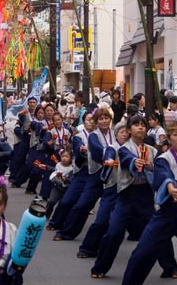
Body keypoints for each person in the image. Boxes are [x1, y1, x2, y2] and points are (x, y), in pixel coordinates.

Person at [111, 122, 177, 285]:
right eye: (175, 135)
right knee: (141, 255)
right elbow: (162, 174)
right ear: (169, 139)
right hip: (166, 213)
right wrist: (170, 187)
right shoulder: (164, 158)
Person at [90, 115, 157, 278]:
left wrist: (151, 165)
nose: (140, 127)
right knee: (114, 232)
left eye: (143, 125)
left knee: (158, 231)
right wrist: (135, 162)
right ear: (128, 130)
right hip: (127, 194)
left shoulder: (152, 150)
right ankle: (100, 267)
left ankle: (170, 266)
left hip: (146, 195)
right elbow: (127, 158)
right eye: (136, 125)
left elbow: (160, 168)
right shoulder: (123, 148)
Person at [53, 106, 116, 241]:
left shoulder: (115, 133)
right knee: (81, 205)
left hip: (114, 175)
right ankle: (66, 232)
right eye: (101, 118)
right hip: (94, 173)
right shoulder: (91, 136)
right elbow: (94, 149)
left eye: (106, 118)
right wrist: (83, 152)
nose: (104, 121)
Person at [77, 120, 128, 259]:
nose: (125, 134)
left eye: (127, 132)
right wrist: (109, 160)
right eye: (122, 132)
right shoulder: (111, 147)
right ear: (116, 134)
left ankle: (169, 266)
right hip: (112, 188)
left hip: (132, 191)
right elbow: (107, 154)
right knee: (102, 220)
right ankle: (88, 248)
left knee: (151, 226)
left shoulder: (135, 148)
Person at [47, 110, 95, 231]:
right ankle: (55, 222)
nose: (91, 122)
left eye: (93, 119)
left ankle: (70, 228)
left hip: (97, 172)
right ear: (84, 121)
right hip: (82, 171)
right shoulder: (79, 137)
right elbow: (79, 154)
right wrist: (86, 152)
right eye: (89, 119)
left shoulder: (99, 135)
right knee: (67, 201)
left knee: (83, 205)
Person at [45, 148, 74, 219]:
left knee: (63, 204)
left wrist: (65, 179)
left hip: (67, 189)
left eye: (66, 157)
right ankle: (46, 215)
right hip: (57, 187)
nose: (64, 158)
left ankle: (59, 218)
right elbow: (54, 170)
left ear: (71, 158)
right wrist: (46, 167)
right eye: (62, 156)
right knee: (51, 201)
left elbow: (72, 179)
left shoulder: (72, 168)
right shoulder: (58, 165)